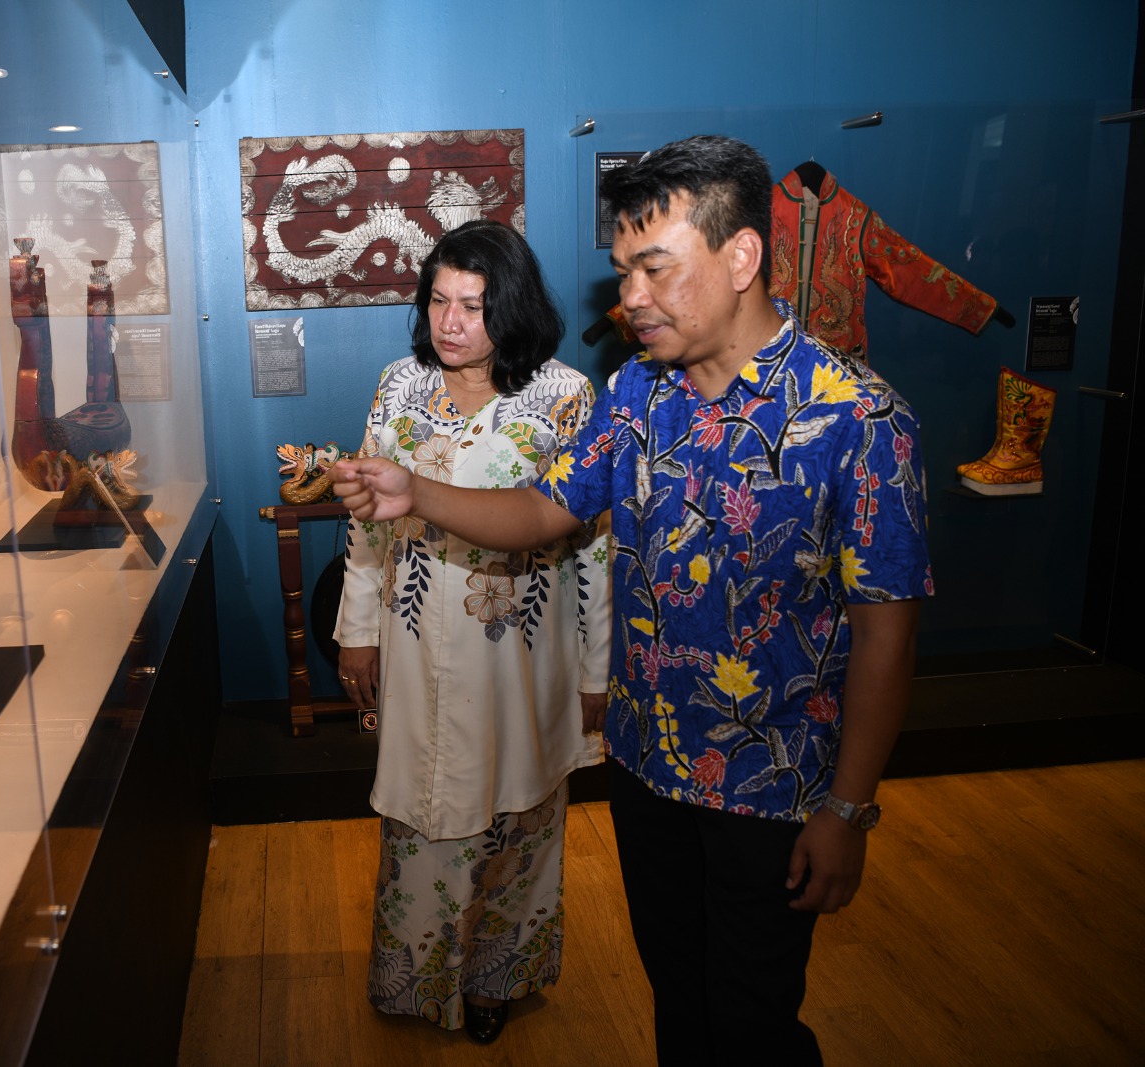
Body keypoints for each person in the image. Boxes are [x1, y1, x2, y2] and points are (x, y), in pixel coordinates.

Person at [333, 136, 932, 1065]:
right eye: (624, 271)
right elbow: (545, 510)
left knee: (752, 1020)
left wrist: (848, 809)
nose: (632, 296)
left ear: (741, 256)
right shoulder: (638, 394)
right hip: (648, 771)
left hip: (769, 788)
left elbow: (886, 639)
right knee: (679, 1000)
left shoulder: (859, 418)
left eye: (655, 268)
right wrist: (416, 492)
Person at [332, 219, 610, 1045]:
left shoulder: (564, 397)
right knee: (422, 812)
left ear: (512, 306)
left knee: (521, 818)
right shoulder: (398, 387)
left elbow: (596, 544)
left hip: (525, 652)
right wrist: (356, 628)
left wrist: (598, 669)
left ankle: (497, 977)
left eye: (474, 306)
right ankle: (414, 980)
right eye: (439, 301)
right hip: (415, 642)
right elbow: (367, 521)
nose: (450, 322)